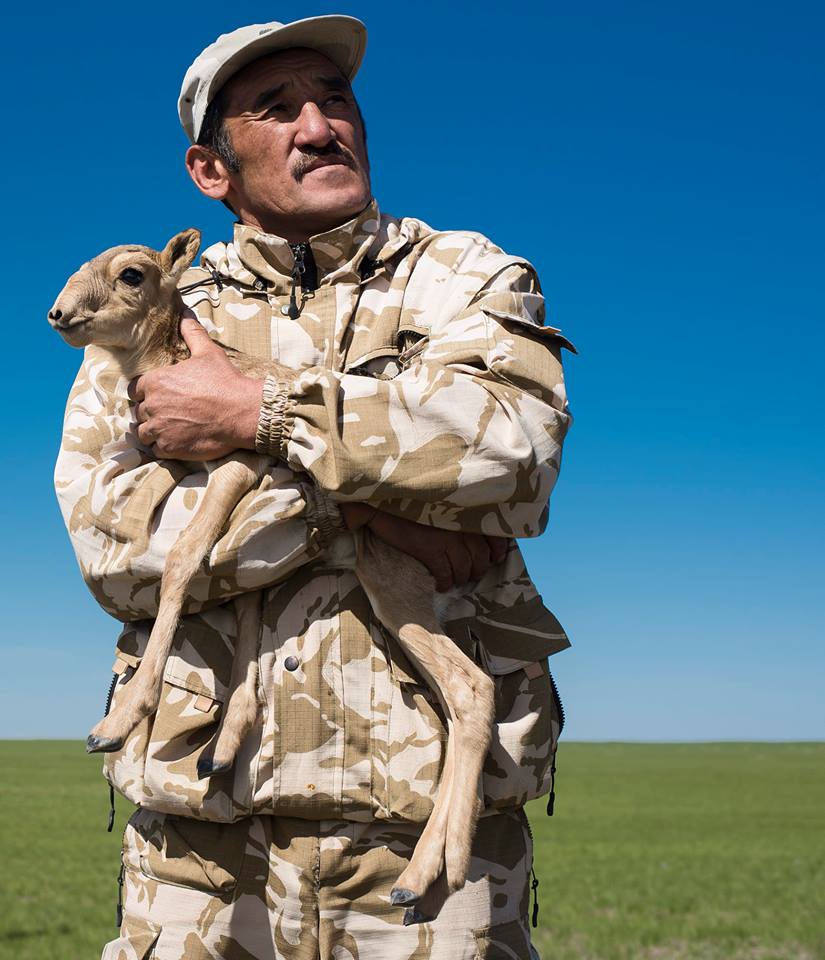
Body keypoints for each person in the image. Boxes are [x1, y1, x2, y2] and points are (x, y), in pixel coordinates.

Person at [54, 15, 574, 960]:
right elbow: (112, 546)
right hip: (198, 856)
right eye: (276, 107)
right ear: (211, 172)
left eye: (335, 100)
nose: (318, 125)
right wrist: (373, 505)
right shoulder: (151, 311)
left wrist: (257, 418)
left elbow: (514, 449)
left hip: (429, 842)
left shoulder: (462, 278)